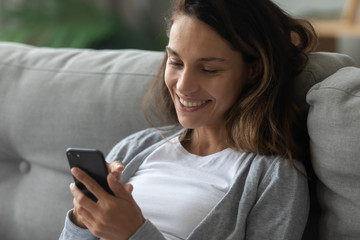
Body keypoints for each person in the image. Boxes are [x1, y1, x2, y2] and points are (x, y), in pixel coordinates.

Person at [60, 0, 317, 239]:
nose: (183, 86)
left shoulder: (275, 175)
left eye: (208, 69)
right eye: (176, 62)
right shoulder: (135, 147)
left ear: (253, 70)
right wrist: (84, 221)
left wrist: (134, 233)